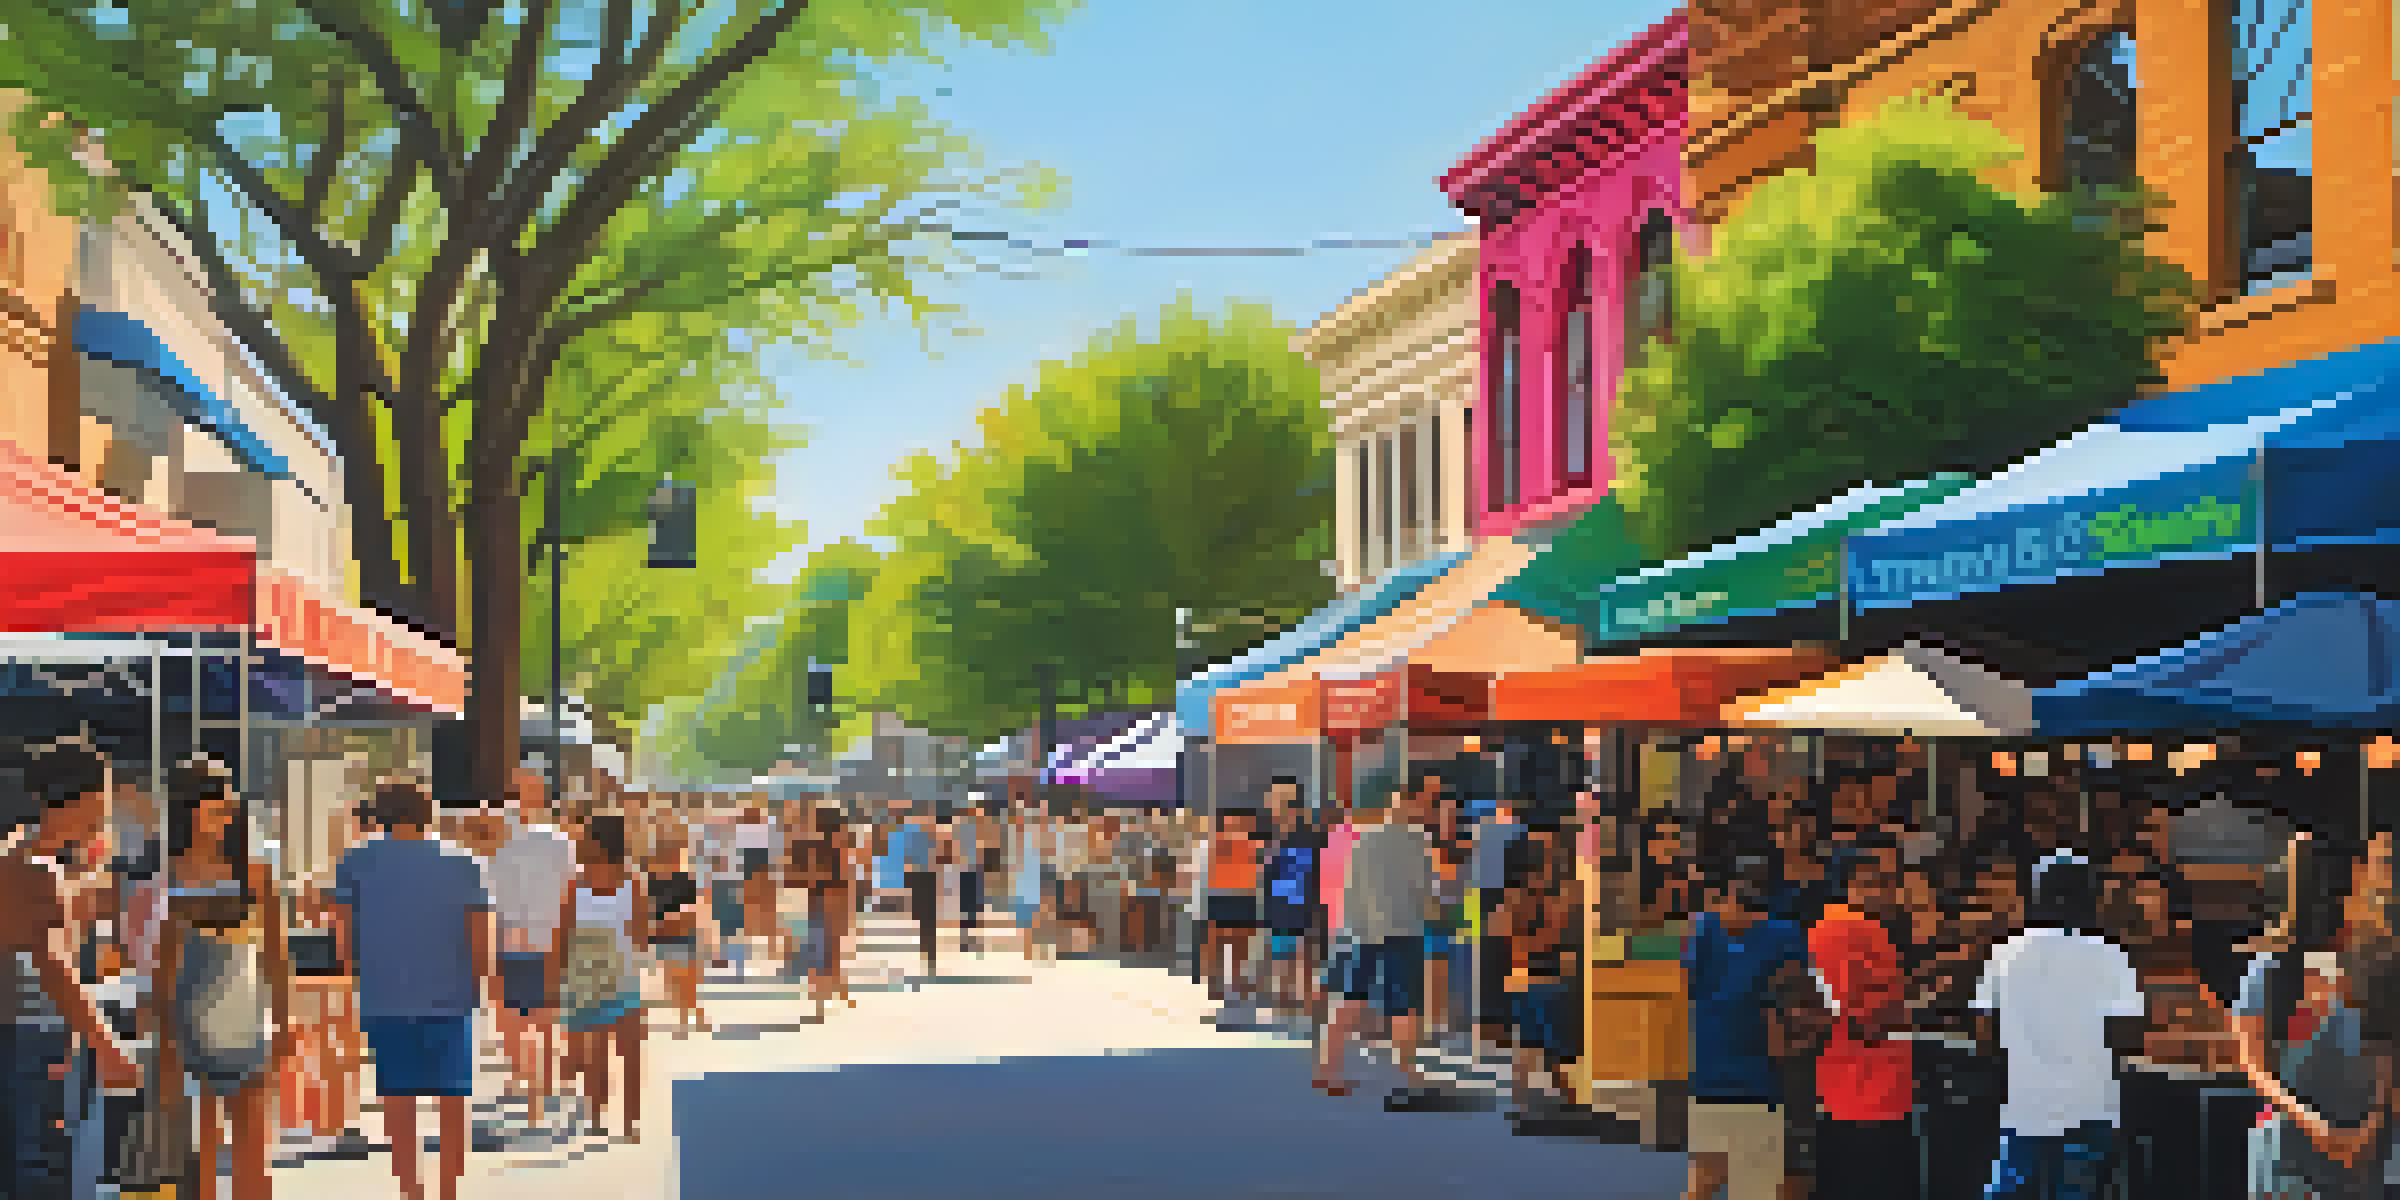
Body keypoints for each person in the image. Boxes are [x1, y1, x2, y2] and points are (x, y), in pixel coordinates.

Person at [329, 777, 493, 1200]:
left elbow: (343, 943)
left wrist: (357, 983)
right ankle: (448, 1193)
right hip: (451, 997)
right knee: (453, 1102)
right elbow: (480, 937)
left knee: (398, 1100)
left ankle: (410, 1191)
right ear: (429, 813)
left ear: (380, 816)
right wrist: (478, 988)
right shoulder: (464, 863)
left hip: (385, 998)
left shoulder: (355, 863)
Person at [0, 740, 144, 1200]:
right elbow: (54, 970)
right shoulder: (33, 868)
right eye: (101, 804)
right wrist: (107, 1044)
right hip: (29, 1037)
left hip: (28, 1035)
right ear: (76, 800)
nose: (104, 816)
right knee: (38, 1169)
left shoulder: (21, 854)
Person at [154, 755, 291, 1200]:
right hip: (189, 1024)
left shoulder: (255, 873)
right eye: (212, 807)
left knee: (252, 1151)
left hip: (244, 1023)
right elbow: (161, 966)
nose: (223, 815)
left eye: (226, 806)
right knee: (201, 1153)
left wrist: (284, 1024)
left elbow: (276, 954)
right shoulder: (166, 875)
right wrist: (164, 1040)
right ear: (187, 811)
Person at [1971, 850, 2143, 1200]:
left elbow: (1984, 1035)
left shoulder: (2004, 952)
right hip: (2090, 1105)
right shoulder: (2111, 954)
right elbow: (2128, 1037)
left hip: (2025, 1105)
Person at [2234, 831, 2395, 1199]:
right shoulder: (2270, 971)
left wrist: (2366, 1133)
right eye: (2367, 876)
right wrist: (2318, 1129)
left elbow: (2386, 1063)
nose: (2380, 889)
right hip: (2289, 1163)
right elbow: (2254, 1068)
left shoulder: (2377, 969)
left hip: (2365, 1163)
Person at [1682, 856, 1810, 1200]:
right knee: (1755, 1183)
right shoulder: (1785, 935)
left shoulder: (1703, 929)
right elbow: (1800, 997)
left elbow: (1688, 984)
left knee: (1706, 1176)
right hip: (1759, 1079)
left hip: (1711, 1075)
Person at [1314, 771, 1440, 1110]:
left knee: (1351, 999)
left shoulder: (1363, 839)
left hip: (1361, 930)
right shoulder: (1416, 841)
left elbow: (1348, 888)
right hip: (1402, 928)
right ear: (1408, 800)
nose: (1430, 807)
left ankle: (1328, 1068)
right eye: (1427, 800)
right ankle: (1408, 1073)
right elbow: (1427, 892)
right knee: (1405, 1005)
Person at [1807, 831, 1916, 1200]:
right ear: (1851, 885)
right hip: (1868, 1094)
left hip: (1849, 1092)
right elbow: (1862, 1016)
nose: (1889, 892)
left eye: (1891, 882)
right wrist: (1914, 1006)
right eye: (1878, 883)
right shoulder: (1852, 929)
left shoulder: (1829, 929)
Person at [486, 778, 577, 1126]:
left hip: (510, 940)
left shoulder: (498, 845)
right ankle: (545, 1083)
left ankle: (522, 1080)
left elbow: (489, 899)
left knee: (513, 1016)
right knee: (545, 1018)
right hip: (548, 939)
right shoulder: (560, 843)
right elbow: (571, 892)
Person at [553, 814, 646, 1142]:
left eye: (586, 838)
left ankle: (603, 1118)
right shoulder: (631, 885)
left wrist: (560, 980)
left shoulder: (578, 886)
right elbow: (640, 937)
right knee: (623, 1052)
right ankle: (620, 1121)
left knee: (604, 1053)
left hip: (589, 978)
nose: (580, 843)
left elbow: (561, 937)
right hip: (618, 978)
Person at [1496, 829, 1583, 1123]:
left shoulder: (1551, 893)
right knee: (1540, 1041)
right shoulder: (1518, 899)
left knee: (1540, 1042)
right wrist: (1556, 920)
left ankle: (1545, 1098)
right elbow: (1521, 948)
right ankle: (1533, 1099)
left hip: (1545, 979)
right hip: (1535, 979)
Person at [1261, 779, 1324, 1024]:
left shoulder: (1308, 837)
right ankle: (1286, 1012)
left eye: (1282, 800)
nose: (1276, 805)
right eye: (1274, 799)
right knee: (1283, 964)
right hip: (1279, 912)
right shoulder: (1272, 836)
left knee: (1305, 965)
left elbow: (1312, 876)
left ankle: (1309, 1013)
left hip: (1305, 913)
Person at [1203, 807, 1268, 1018]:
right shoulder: (1218, 842)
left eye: (1242, 821)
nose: (1237, 825)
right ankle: (1221, 988)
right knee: (1220, 946)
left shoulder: (1256, 844)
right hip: (1222, 898)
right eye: (1234, 821)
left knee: (1239, 949)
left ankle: (1234, 990)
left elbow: (1261, 872)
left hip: (1244, 899)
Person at [644, 838, 705, 1035]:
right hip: (664, 936)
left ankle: (693, 1011)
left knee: (690, 976)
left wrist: (680, 916)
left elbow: (695, 907)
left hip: (684, 933)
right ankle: (684, 1015)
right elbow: (647, 910)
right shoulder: (652, 882)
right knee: (674, 978)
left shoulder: (685, 880)